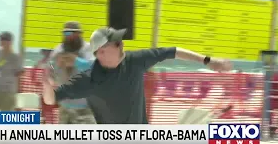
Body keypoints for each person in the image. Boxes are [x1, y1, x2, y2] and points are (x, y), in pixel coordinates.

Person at [44, 27, 232, 125]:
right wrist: (47, 83)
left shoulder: (135, 60)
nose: (121, 43)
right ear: (100, 52)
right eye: (115, 41)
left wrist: (208, 60)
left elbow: (172, 51)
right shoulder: (89, 79)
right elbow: (52, 98)